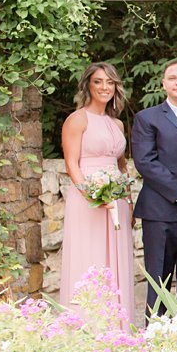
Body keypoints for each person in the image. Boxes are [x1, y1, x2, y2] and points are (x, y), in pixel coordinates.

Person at [59, 61, 138, 323]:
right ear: (88, 85)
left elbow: (121, 164)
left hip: (116, 199)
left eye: (110, 82)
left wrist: (127, 200)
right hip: (88, 200)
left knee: (117, 259)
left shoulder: (115, 124)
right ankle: (86, 327)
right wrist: (91, 195)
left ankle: (117, 325)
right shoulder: (77, 119)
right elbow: (71, 163)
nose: (105, 87)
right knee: (90, 256)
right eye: (98, 81)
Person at [131, 59, 177, 316]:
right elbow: (146, 162)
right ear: (163, 84)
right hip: (161, 209)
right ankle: (157, 338)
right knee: (159, 277)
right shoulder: (147, 118)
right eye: (173, 78)